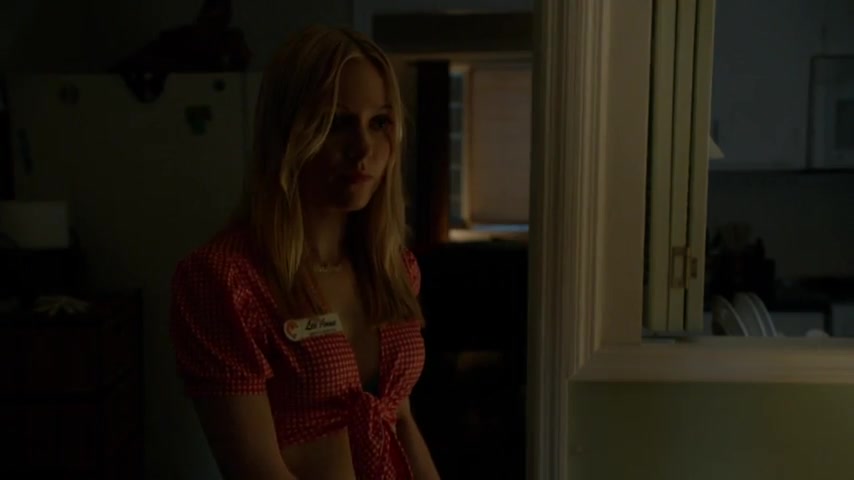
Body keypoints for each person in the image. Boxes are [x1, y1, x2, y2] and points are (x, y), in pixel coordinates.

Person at [169, 25, 440, 480]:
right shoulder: (225, 279)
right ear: (288, 133)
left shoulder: (395, 268)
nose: (364, 149)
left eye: (379, 123)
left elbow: (401, 419)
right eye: (337, 122)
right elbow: (256, 469)